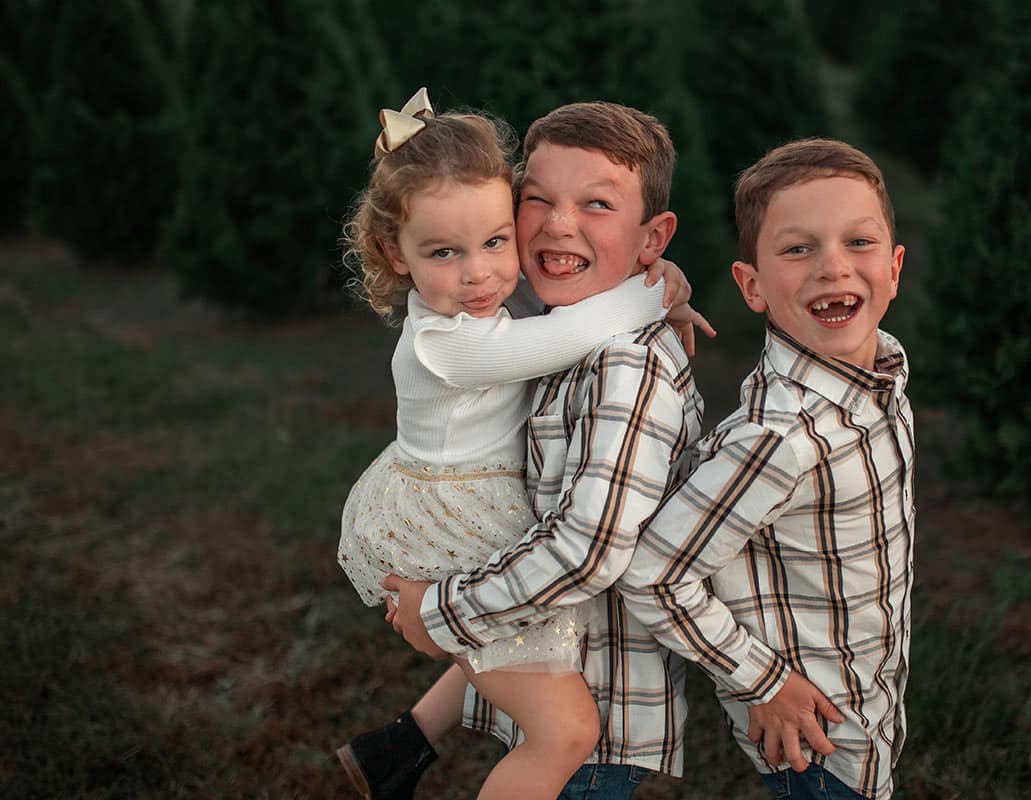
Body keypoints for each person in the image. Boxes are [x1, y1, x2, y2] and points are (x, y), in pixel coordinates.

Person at [334, 89, 702, 800]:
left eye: (494, 241)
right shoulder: (449, 341)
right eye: (446, 251)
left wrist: (659, 277)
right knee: (562, 729)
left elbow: (551, 315)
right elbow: (565, 334)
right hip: (449, 517)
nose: (479, 274)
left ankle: (400, 746)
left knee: (510, 645)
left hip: (472, 503)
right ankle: (407, 745)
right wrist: (659, 287)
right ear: (394, 251)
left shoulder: (491, 301)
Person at [618, 138, 915, 800]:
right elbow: (652, 574)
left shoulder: (884, 376)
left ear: (894, 269)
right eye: (798, 248)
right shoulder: (778, 441)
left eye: (858, 243)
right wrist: (761, 680)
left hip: (870, 702)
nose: (832, 267)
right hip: (816, 738)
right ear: (751, 285)